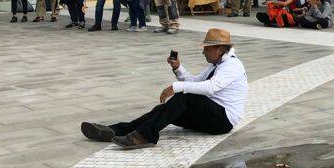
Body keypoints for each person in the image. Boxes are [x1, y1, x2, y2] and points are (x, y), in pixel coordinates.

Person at [81, 28, 247, 149]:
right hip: (210, 116)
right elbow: (196, 82)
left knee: (185, 96)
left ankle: (146, 136)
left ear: (220, 49)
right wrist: (178, 68)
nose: (203, 52)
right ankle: (116, 130)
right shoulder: (217, 63)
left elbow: (210, 88)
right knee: (163, 110)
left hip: (223, 121)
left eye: (206, 48)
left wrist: (176, 87)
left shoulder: (232, 65)